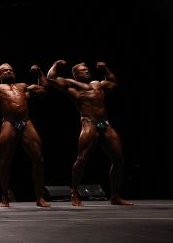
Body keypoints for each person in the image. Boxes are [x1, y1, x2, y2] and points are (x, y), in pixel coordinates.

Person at [47, 60, 132, 207]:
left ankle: (115, 196)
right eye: (83, 70)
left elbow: (113, 82)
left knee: (119, 159)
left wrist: (105, 68)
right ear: (75, 74)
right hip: (89, 124)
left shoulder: (98, 84)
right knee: (82, 159)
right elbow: (51, 79)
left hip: (105, 125)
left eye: (87, 69)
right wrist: (56, 65)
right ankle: (74, 193)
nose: (87, 71)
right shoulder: (72, 86)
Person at [0, 63, 51, 207]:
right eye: (5, 70)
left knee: (38, 159)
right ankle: (4, 196)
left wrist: (39, 72)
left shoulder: (23, 86)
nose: (9, 71)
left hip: (26, 122)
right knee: (5, 161)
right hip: (9, 123)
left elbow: (44, 89)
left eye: (11, 70)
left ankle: (40, 197)